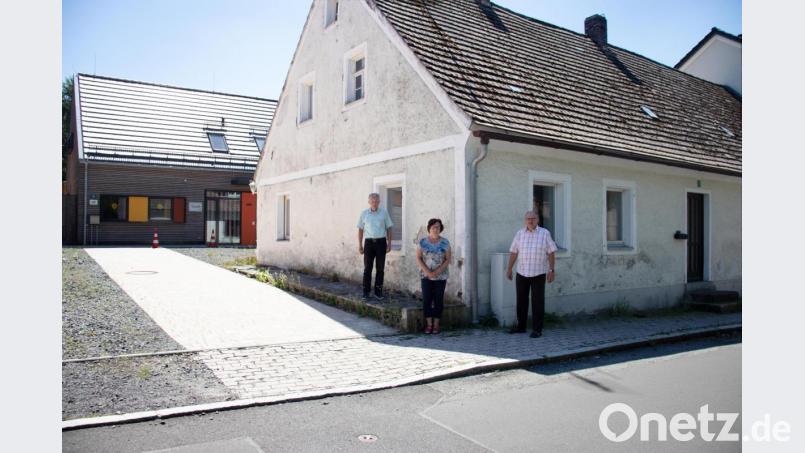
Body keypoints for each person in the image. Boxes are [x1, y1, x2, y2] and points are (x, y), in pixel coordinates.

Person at [506, 210, 557, 338]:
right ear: (525, 220)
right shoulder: (519, 234)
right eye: (528, 218)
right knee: (521, 301)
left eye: (533, 218)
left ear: (537, 220)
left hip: (538, 273)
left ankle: (537, 329)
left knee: (537, 302)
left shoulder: (545, 233)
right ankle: (521, 327)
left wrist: (551, 270)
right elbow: (513, 252)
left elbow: (551, 252)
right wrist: (509, 269)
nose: (530, 220)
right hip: (522, 272)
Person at [416, 218, 451, 334]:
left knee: (438, 300)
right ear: (429, 228)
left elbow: (447, 259)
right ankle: (429, 325)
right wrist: (428, 272)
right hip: (425, 276)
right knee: (427, 299)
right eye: (433, 227)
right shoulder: (422, 242)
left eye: (438, 227)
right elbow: (418, 258)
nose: (436, 229)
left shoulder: (445, 243)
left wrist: (437, 272)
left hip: (441, 276)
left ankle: (436, 325)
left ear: (440, 229)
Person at [357, 193, 393, 300]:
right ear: (369, 202)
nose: (374, 203)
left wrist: (389, 243)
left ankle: (378, 292)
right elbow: (360, 230)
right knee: (367, 268)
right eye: (372, 201)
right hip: (368, 243)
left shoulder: (384, 213)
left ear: (379, 202)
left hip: (381, 243)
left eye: (376, 201)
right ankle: (366, 292)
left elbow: (389, 228)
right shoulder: (364, 214)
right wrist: (360, 245)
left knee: (380, 268)